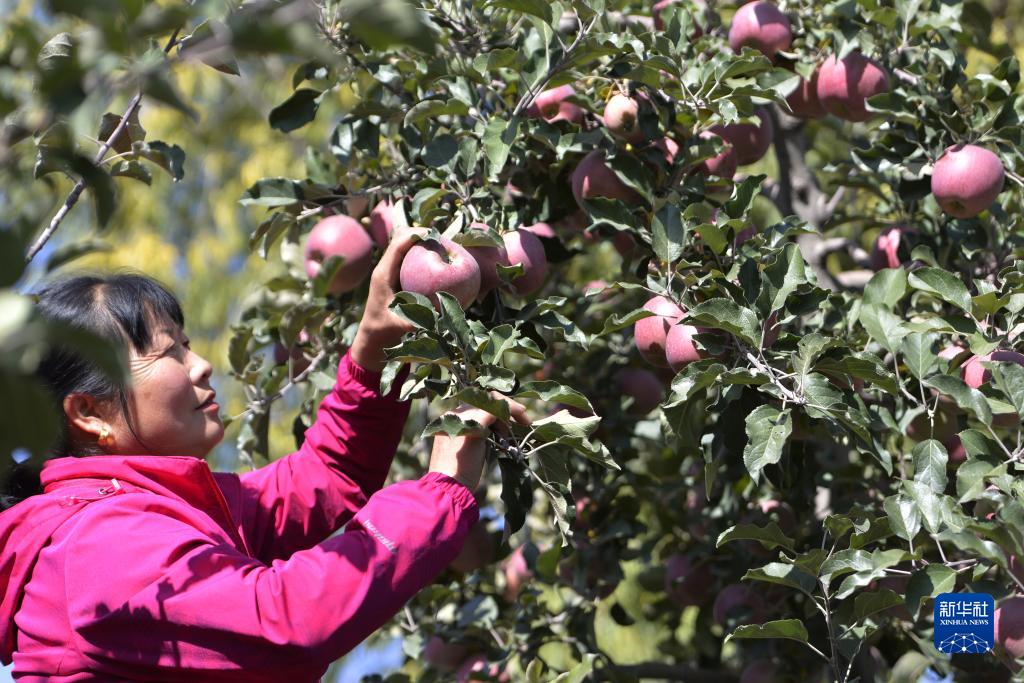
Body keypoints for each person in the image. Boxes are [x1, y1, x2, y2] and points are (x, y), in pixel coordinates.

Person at [0, 227, 529, 682]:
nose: (202, 365)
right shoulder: (93, 548)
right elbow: (288, 624)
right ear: (88, 413)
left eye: (188, 345)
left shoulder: (167, 513)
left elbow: (325, 478)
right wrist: (439, 490)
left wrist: (374, 352)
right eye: (170, 352)